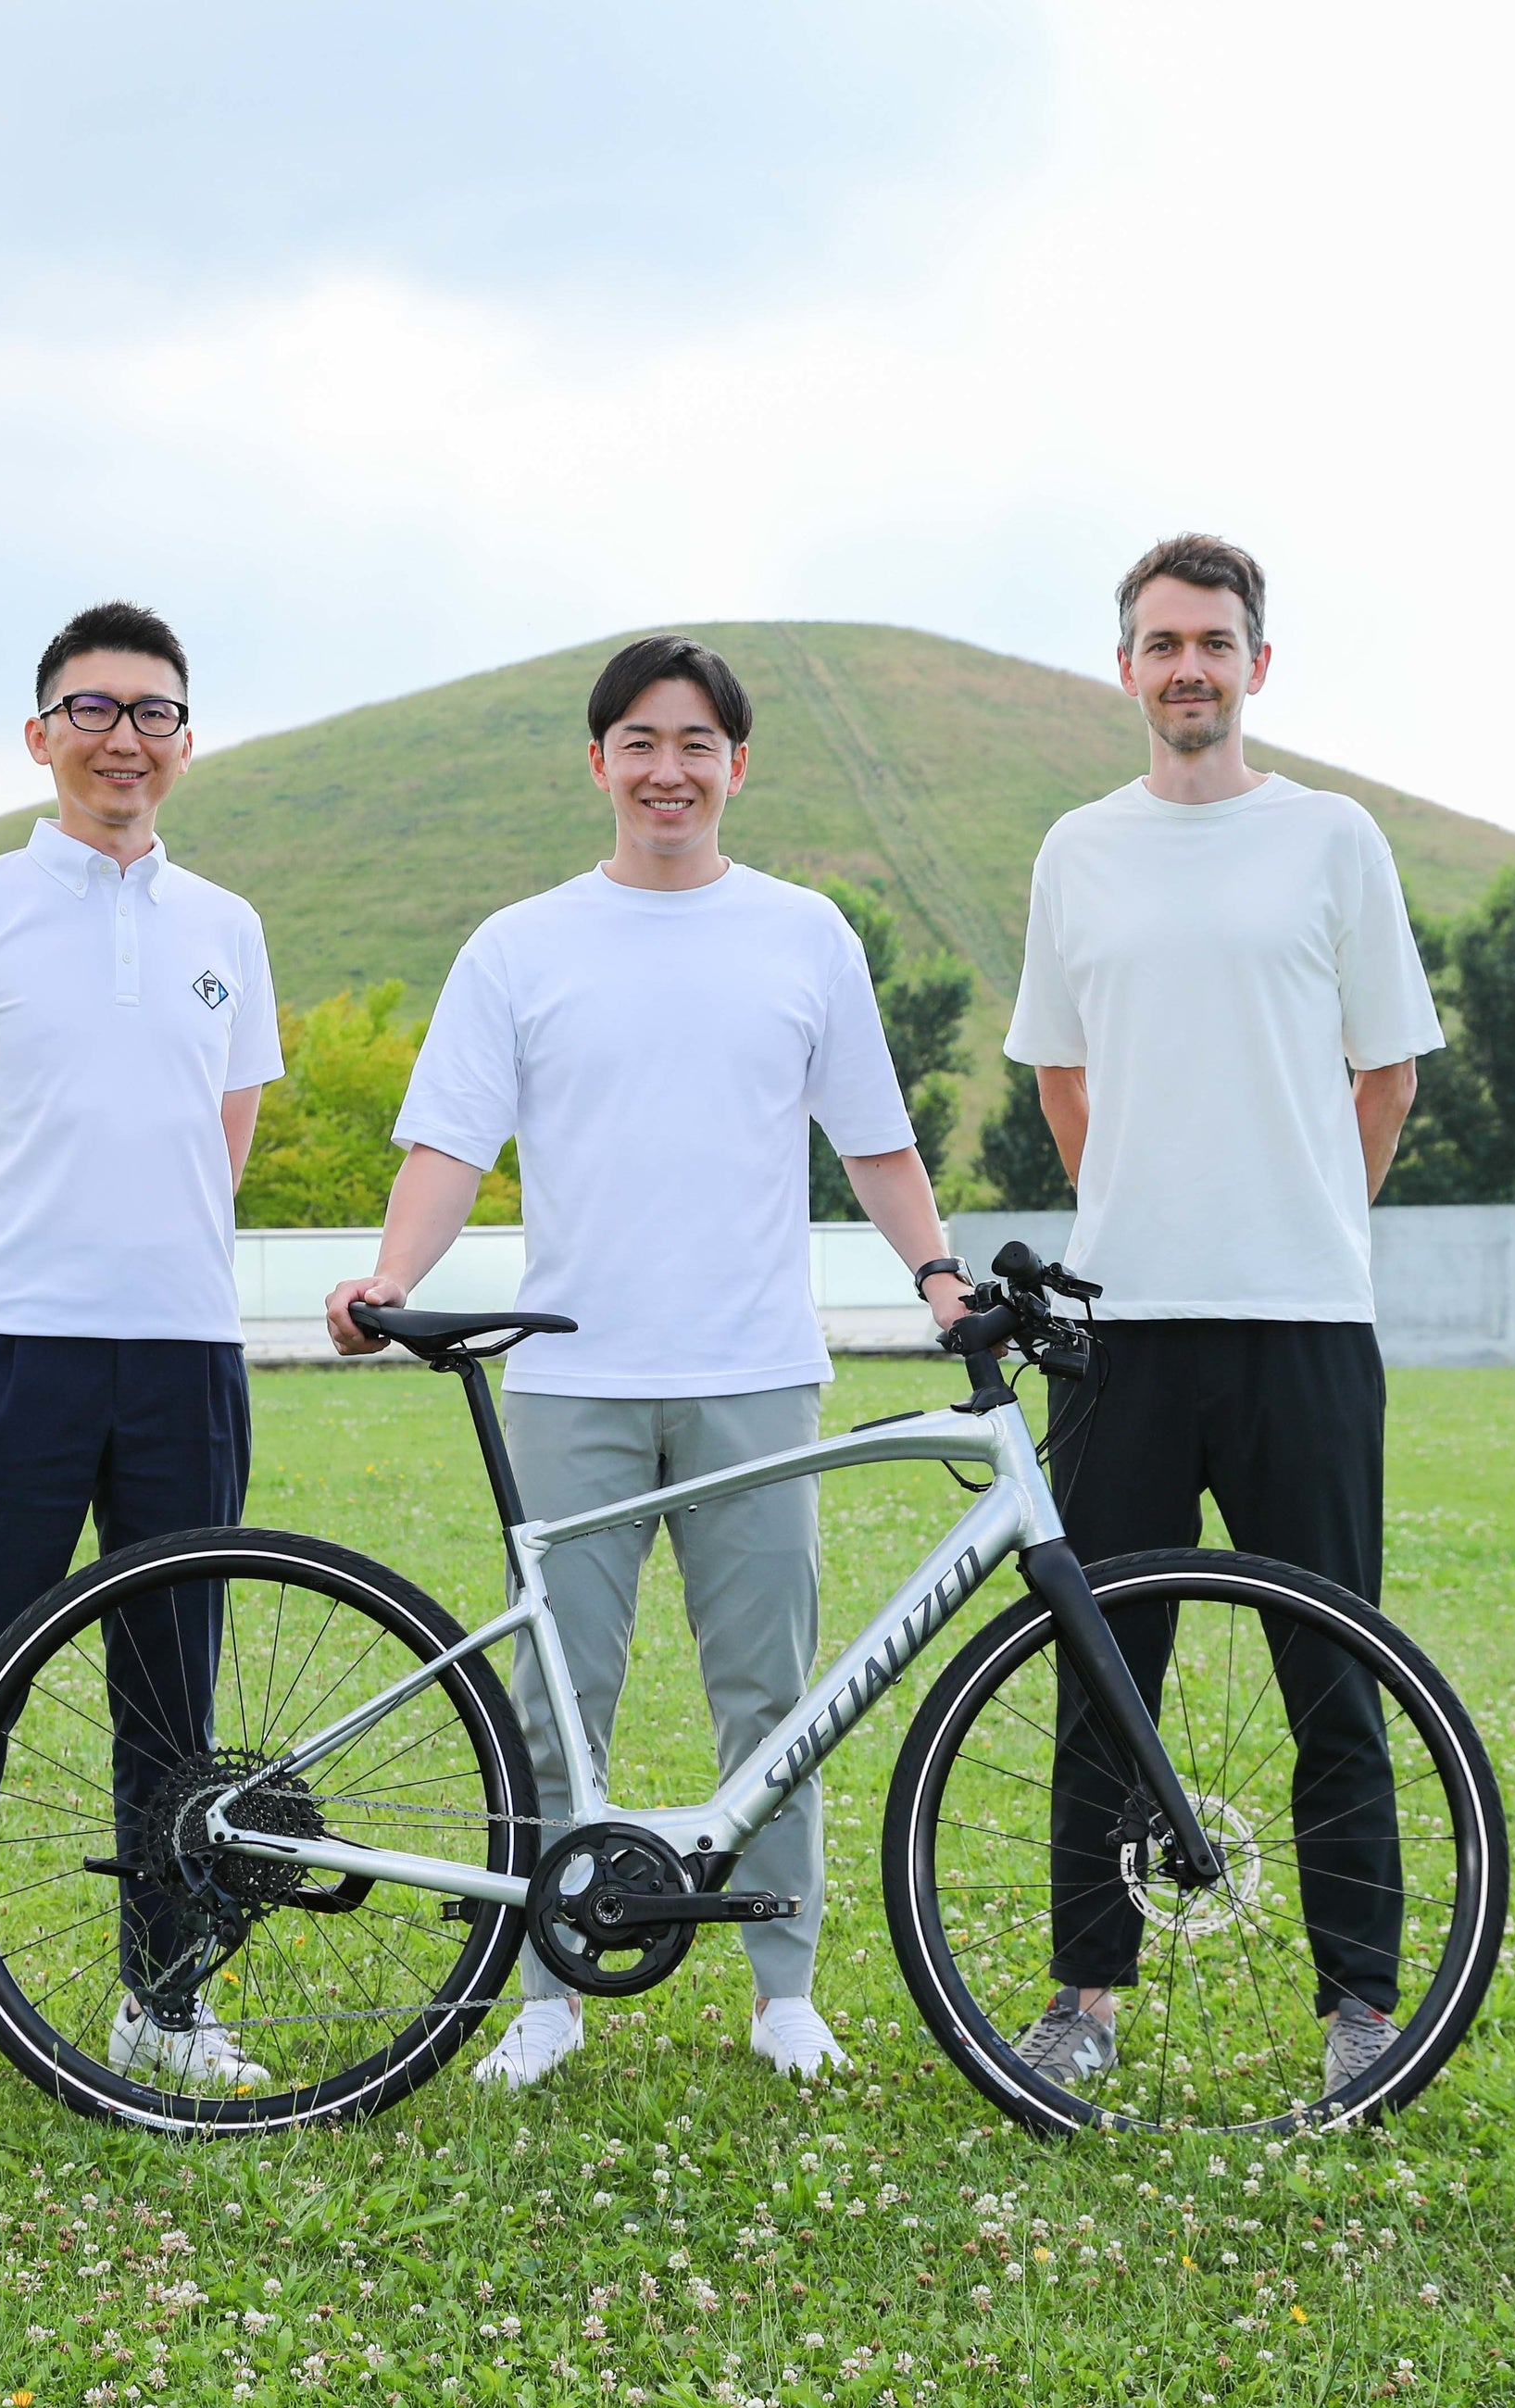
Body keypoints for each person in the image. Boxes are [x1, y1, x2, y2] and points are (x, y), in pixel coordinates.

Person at [322, 633, 970, 2089]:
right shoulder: (521, 944)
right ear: (597, 762)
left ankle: (784, 1990)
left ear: (737, 766)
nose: (666, 771)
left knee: (776, 1702)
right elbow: (449, 1144)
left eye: (695, 745)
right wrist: (391, 1279)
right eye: (639, 743)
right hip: (572, 1381)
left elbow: (875, 1141)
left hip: (756, 1375)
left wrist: (937, 1275)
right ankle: (549, 1998)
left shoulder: (805, 935)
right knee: (557, 1703)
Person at [998, 532, 1441, 2095]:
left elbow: (1387, 1075)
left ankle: (1361, 2011)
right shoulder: (1077, 850)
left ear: (1259, 663)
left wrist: (1301, 1215)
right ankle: (1084, 2003)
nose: (1189, 666)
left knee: (1336, 1677)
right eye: (1163, 642)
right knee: (1104, 1675)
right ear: (1125, 665)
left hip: (1302, 1325)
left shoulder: (1334, 839)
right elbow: (1062, 1076)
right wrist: (1148, 1214)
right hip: (1118, 1333)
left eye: (1215, 642)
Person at [0, 600, 283, 2110]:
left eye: (153, 712)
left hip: (185, 1359)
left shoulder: (226, 926)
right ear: (41, 735)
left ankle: (164, 2005)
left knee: (174, 1708)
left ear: (187, 740)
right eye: (94, 710)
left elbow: (220, 1146)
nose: (124, 738)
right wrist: (4, 1284)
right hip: (10, 1360)